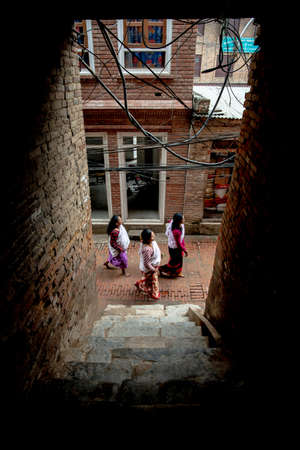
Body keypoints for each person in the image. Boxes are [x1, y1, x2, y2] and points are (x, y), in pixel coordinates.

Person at [159, 213, 188, 278]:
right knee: (173, 263)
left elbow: (170, 221)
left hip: (177, 247)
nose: (184, 219)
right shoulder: (176, 232)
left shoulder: (176, 223)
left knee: (180, 260)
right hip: (175, 248)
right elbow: (178, 243)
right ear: (179, 221)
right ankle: (161, 269)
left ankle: (178, 272)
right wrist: (184, 250)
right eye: (183, 218)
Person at [135, 229, 161, 300]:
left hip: (153, 266)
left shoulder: (152, 242)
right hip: (150, 268)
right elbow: (146, 264)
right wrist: (154, 269)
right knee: (154, 280)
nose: (154, 235)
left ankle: (139, 283)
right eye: (152, 235)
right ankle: (155, 293)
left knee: (149, 279)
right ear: (149, 238)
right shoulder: (147, 250)